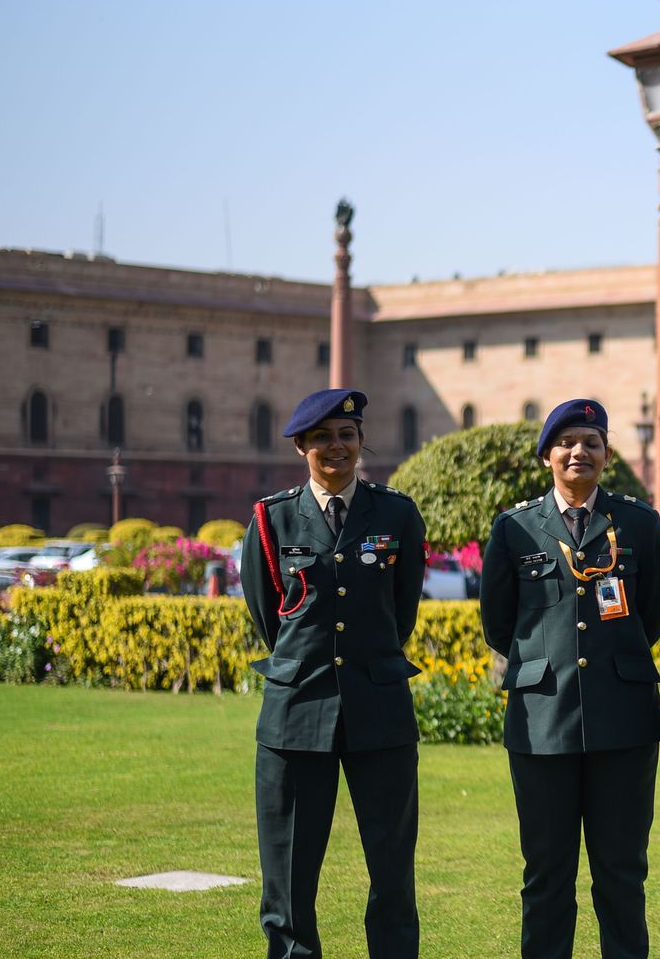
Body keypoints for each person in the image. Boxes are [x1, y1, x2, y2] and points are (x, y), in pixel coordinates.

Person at [480, 398, 660, 959]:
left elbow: (653, 614)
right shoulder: (515, 527)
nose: (578, 452)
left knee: (622, 875)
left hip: (623, 719)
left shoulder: (638, 522)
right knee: (545, 873)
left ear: (607, 455)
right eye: (565, 443)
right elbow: (499, 621)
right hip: (543, 719)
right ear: (547, 457)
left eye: (590, 442)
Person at [240, 388, 427, 959]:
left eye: (347, 434)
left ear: (362, 441)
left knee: (392, 872)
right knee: (289, 879)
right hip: (297, 712)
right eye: (322, 437)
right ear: (301, 446)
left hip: (380, 711)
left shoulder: (397, 513)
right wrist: (308, 665)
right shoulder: (272, 518)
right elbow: (266, 612)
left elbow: (402, 610)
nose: (336, 446)